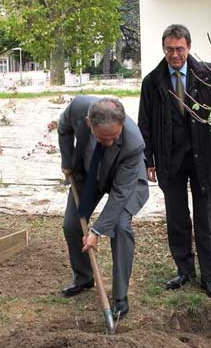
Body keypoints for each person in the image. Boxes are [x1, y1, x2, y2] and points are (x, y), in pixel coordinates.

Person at [138, 24, 211, 299]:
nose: (175, 54)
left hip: (203, 159)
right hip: (170, 160)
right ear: (163, 48)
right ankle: (184, 270)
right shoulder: (152, 81)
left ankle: (209, 276)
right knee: (177, 218)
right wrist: (148, 160)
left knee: (205, 219)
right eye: (170, 49)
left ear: (188, 48)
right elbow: (144, 124)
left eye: (179, 49)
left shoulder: (208, 74)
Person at [58, 96, 149, 318]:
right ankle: (84, 277)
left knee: (120, 226)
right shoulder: (79, 109)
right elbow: (63, 128)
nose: (109, 142)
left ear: (122, 125)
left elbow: (119, 195)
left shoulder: (134, 142)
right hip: (90, 173)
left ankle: (120, 296)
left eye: (113, 137)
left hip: (125, 180)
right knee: (71, 224)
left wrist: (97, 231)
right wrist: (68, 161)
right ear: (89, 124)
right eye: (102, 138)